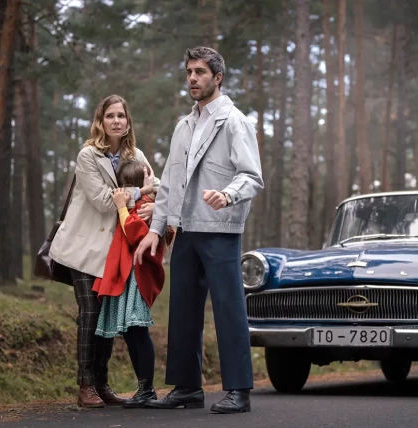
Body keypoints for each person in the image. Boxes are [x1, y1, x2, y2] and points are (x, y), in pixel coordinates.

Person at [135, 46, 264, 414]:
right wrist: (156, 230)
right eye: (189, 72)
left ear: (217, 77)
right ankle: (187, 388)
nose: (193, 78)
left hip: (221, 228)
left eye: (200, 72)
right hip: (186, 228)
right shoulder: (184, 125)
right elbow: (172, 183)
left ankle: (239, 390)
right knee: (183, 310)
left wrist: (227, 195)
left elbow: (252, 176)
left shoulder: (234, 120)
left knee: (228, 309)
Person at [49, 94, 159, 408]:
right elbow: (101, 200)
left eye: (121, 116)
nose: (116, 121)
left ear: (127, 121)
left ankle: (102, 383)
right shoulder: (87, 155)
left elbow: (157, 184)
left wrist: (157, 201)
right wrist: (143, 190)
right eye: (110, 115)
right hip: (84, 249)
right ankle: (85, 386)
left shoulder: (135, 154)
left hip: (115, 253)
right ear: (101, 120)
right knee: (89, 314)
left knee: (106, 317)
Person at [92, 160, 169, 408]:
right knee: (130, 332)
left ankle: (147, 389)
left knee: (138, 331)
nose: (123, 189)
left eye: (128, 184)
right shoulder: (142, 201)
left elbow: (135, 233)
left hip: (137, 275)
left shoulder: (146, 205)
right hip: (126, 276)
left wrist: (123, 207)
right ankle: (143, 387)